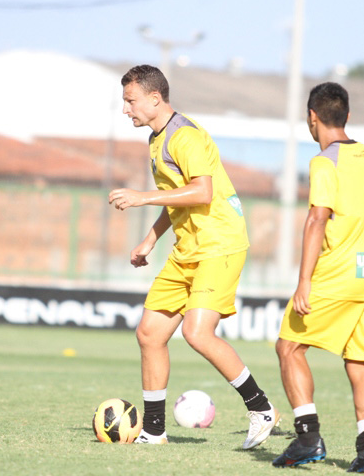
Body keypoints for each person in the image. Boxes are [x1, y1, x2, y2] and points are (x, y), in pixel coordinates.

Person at [109, 65, 279, 448]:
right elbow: (178, 197)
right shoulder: (157, 139)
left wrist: (141, 197)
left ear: (155, 99)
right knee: (150, 334)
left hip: (219, 244)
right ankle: (154, 430)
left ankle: (261, 407)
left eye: (130, 101)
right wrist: (150, 240)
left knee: (197, 333)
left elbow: (202, 192)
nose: (125, 110)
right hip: (187, 249)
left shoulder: (184, 136)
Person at [272, 82, 364, 473]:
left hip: (339, 274)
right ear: (346, 115)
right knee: (359, 364)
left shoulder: (324, 162)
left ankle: (308, 437)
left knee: (289, 347)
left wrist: (304, 281)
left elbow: (317, 218)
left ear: (312, 117)